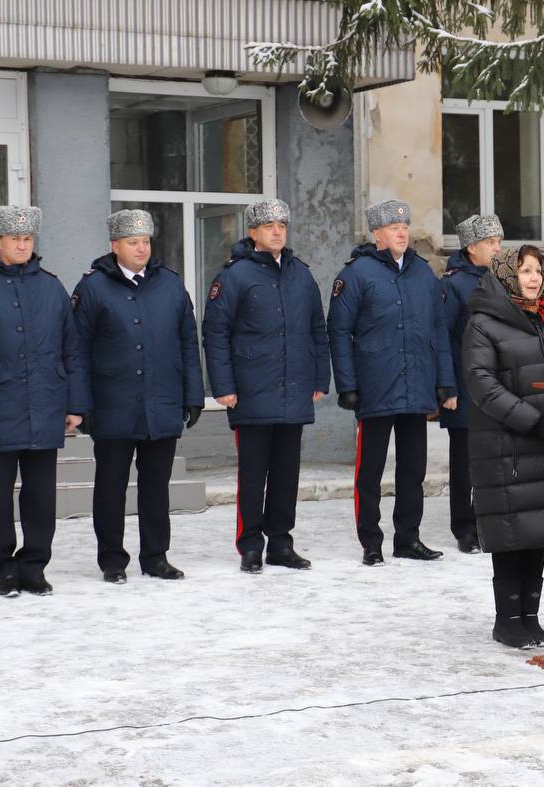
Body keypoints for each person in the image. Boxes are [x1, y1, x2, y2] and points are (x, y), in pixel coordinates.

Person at [0, 205, 90, 597]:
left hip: (46, 406)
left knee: (41, 496)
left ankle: (35, 565)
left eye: (27, 239)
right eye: (14, 239)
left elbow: (71, 350)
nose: (22, 245)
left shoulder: (51, 287)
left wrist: (75, 405)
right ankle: (5, 569)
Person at [72, 209, 204, 583]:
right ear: (115, 246)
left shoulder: (170, 284)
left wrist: (192, 394)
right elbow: (77, 351)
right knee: (111, 486)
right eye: (133, 242)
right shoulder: (93, 288)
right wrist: (81, 405)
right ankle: (112, 559)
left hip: (161, 402)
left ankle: (156, 555)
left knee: (156, 486)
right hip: (113, 404)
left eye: (145, 241)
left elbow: (187, 343)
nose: (141, 248)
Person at [462, 245, 544, 649]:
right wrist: (532, 421)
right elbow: (482, 384)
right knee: (513, 531)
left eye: (537, 270)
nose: (534, 278)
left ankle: (531, 616)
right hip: (508, 443)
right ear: (506, 276)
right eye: (525, 270)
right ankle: (507, 620)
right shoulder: (484, 322)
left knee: (540, 528)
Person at [203, 199, 330, 574]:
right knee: (254, 474)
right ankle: (250, 545)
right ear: (253, 232)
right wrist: (223, 386)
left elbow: (317, 331)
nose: (277, 231)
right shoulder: (234, 277)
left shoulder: (301, 275)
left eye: (282, 225)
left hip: (294, 390)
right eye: (269, 225)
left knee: (287, 474)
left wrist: (319, 378)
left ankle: (281, 543)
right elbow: (216, 334)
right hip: (251, 391)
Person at [328, 199, 456, 566]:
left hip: (416, 386)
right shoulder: (356, 274)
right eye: (394, 228)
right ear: (377, 234)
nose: (402, 232)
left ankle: (408, 538)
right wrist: (348, 384)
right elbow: (339, 331)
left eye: (405, 226)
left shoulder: (423, 274)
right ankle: (371, 540)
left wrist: (444, 381)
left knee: (413, 470)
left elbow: (438, 330)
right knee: (370, 471)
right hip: (375, 387)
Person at [440, 213, 504, 554]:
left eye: (498, 241)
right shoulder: (453, 284)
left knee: (494, 460)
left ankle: (489, 520)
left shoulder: (504, 279)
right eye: (490, 243)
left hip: (499, 388)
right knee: (465, 461)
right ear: (471, 247)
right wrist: (448, 387)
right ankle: (464, 526)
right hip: (465, 387)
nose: (497, 248)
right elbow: (444, 338)